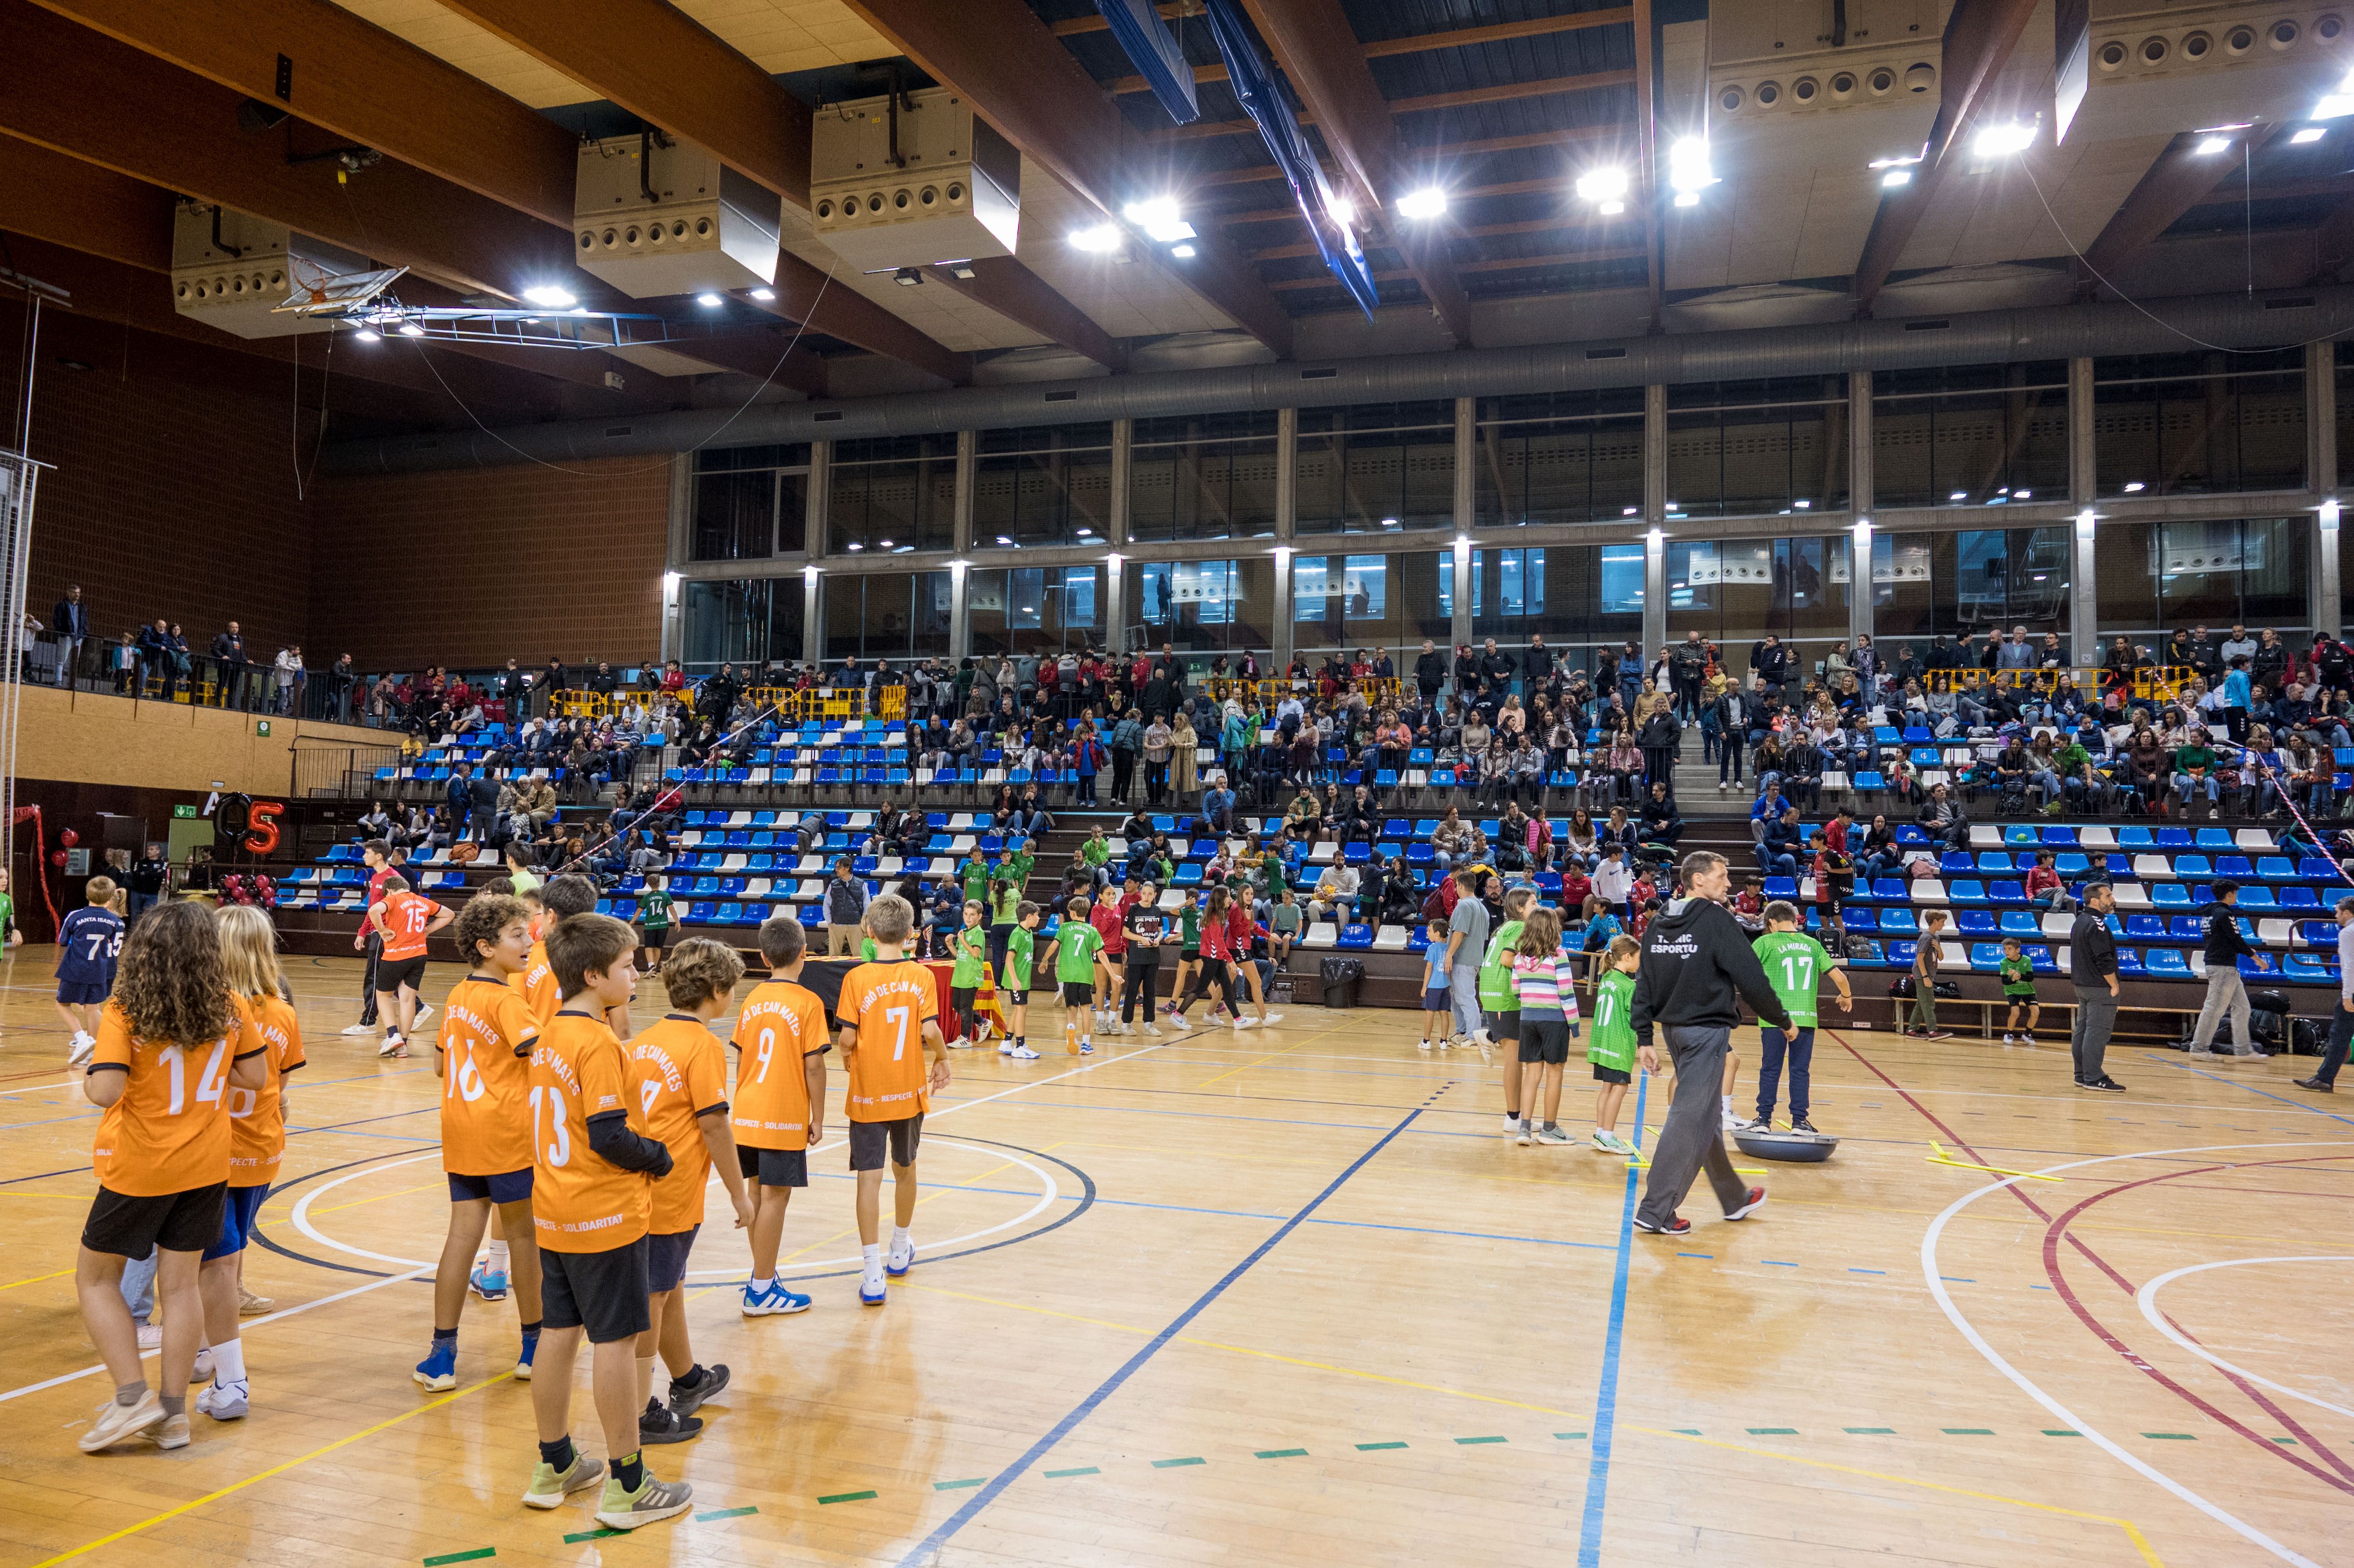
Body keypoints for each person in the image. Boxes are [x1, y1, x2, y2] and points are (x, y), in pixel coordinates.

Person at [521, 911, 695, 1531]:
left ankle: (555, 1464)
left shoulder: (547, 1036)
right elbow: (607, 1135)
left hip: (555, 1212)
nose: (637, 973)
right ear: (593, 975)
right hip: (604, 1215)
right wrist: (660, 1155)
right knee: (616, 1344)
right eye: (627, 966)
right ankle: (628, 1484)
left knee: (558, 1335)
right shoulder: (596, 1042)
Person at [624, 938, 756, 1445]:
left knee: (667, 1284)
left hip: (641, 1182)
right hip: (672, 1188)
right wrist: (739, 1194)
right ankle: (639, 1410)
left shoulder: (645, 1039)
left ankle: (686, 1379)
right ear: (718, 992)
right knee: (654, 1296)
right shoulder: (702, 1045)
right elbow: (715, 1126)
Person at [413, 893, 545, 1395]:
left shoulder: (459, 995)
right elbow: (543, 1057)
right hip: (506, 1133)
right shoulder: (508, 1000)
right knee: (524, 1239)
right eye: (518, 935)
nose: (530, 940)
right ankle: (533, 1346)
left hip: (462, 1129)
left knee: (461, 1239)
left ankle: (441, 1356)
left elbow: (442, 1065)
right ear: (487, 947)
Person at [1629, 851, 1789, 1237]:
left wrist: (1645, 1035)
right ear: (1698, 880)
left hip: (1674, 1032)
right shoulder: (1716, 919)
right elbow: (1751, 977)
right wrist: (1783, 1020)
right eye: (1722, 875)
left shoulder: (1660, 921)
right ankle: (1656, 1211)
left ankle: (1734, 1198)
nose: (1729, 883)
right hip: (1705, 1034)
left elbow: (1646, 981)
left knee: (1705, 1116)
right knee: (1688, 1118)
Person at [191, 904, 303, 1423]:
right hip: (261, 1148)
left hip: (209, 1150)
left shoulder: (202, 1008)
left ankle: (214, 1360)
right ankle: (210, 1350)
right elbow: (283, 1087)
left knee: (207, 1260)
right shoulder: (282, 1013)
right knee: (227, 1255)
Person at [833, 894, 952, 1306]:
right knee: (906, 1168)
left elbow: (846, 1037)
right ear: (910, 934)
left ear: (868, 932)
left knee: (870, 1178)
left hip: (868, 1091)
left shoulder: (857, 978)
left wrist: (848, 1056)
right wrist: (943, 1059)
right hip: (907, 1090)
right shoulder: (921, 977)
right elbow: (933, 1032)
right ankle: (899, 1247)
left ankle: (871, 1271)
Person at [727, 916, 829, 1317]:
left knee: (756, 1193)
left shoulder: (753, 999)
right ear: (804, 953)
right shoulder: (808, 1003)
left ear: (765, 957)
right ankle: (763, 1287)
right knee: (776, 1196)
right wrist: (818, 1117)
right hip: (782, 1112)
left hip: (748, 1108)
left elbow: (741, 1058)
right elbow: (815, 1067)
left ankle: (761, 1275)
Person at [1747, 901, 1849, 1132]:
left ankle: (1763, 1120)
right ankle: (1800, 1122)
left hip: (1775, 1017)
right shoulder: (1813, 944)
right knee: (1800, 1071)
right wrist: (1847, 996)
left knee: (1770, 1069)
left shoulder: (1764, 943)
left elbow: (1746, 974)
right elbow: (1840, 978)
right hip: (1806, 1018)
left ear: (1771, 922)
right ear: (1794, 921)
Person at [1507, 906, 1581, 1147]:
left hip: (1527, 1019)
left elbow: (1516, 990)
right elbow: (1566, 993)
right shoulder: (1558, 955)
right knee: (1555, 1073)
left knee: (1532, 1075)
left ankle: (1525, 1128)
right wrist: (1574, 1023)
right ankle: (1549, 1128)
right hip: (1554, 1021)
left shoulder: (1519, 958)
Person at [364, 874, 451, 1059]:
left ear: (389, 890)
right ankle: (402, 1045)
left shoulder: (393, 899)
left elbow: (374, 910)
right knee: (407, 999)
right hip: (419, 954)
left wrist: (382, 930)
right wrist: (428, 930)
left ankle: (392, 1035)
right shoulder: (422, 901)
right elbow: (449, 914)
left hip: (397, 955)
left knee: (383, 995)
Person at [2187, 879, 2261, 1059]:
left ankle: (2243, 1051)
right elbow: (2235, 939)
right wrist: (2254, 957)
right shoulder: (2225, 914)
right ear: (2229, 894)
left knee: (2242, 1008)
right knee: (2214, 1009)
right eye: (2235, 893)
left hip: (2223, 967)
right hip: (2223, 968)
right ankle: (2199, 1049)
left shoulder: (2209, 914)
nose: (2236, 897)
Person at [56, 875, 125, 1067]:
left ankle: (82, 1039)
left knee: (62, 1004)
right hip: (101, 969)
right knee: (92, 1007)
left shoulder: (76, 916)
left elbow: (62, 941)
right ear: (111, 898)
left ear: (87, 894)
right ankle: (95, 1048)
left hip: (75, 968)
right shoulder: (116, 921)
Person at [1586, 934, 1644, 1155]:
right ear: (1627, 957)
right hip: (1618, 1043)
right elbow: (1637, 1015)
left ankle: (1601, 1132)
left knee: (1607, 1087)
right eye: (1639, 957)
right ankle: (1608, 1136)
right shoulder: (1628, 985)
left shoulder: (1608, 977)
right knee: (1620, 1087)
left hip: (1601, 1041)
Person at [2293, 895, 2354, 1093]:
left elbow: (2349, 966)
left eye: (2338, 912)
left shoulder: (2348, 933)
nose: (2336, 916)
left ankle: (2325, 1079)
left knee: (2339, 1036)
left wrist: (2347, 995)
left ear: (2347, 913)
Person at [2068, 883, 2125, 1092]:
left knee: (2083, 1030)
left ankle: (2081, 1075)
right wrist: (2114, 985)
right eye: (2108, 896)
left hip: (2082, 985)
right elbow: (2103, 958)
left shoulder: (2080, 921)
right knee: (2097, 1032)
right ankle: (2094, 1077)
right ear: (2095, 900)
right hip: (2099, 987)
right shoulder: (2097, 924)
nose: (2112, 899)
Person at [1476, 886, 1535, 1075]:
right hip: (1504, 994)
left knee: (1515, 1053)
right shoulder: (1520, 926)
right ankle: (1514, 1107)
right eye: (1533, 903)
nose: (1538, 907)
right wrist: (1535, 966)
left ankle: (1490, 1035)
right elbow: (1506, 959)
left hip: (1491, 991)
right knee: (1514, 1059)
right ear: (1520, 908)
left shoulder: (1505, 927)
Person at [1441, 869, 1488, 1050]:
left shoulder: (1464, 906)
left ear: (1460, 885)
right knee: (1458, 997)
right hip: (1475, 958)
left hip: (1463, 959)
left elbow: (1459, 933)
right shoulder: (1481, 907)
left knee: (1466, 998)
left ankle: (1473, 1035)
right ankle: (1462, 1031)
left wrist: (1449, 955)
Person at [998, 901, 1042, 1061]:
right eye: (1037, 915)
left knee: (1019, 1010)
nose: (1039, 918)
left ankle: (1007, 1041)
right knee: (1021, 1009)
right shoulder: (1017, 935)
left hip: (1023, 979)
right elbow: (1009, 959)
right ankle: (1020, 1046)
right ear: (1029, 917)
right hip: (1016, 980)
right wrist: (1014, 979)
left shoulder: (1028, 932)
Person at [1118, 894, 1166, 1038]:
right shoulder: (1134, 910)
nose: (1146, 896)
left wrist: (1158, 939)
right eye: (1144, 893)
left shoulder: (1157, 910)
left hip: (1152, 957)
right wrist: (1141, 939)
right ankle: (1126, 1024)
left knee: (1150, 991)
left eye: (1150, 894)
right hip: (1136, 958)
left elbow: (1161, 931)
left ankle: (1149, 1024)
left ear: (1154, 895)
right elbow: (1125, 932)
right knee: (1132, 990)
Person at [948, 901, 989, 1047]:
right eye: (966, 914)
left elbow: (975, 953)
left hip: (971, 974)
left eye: (972, 915)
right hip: (960, 974)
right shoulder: (964, 932)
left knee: (965, 1007)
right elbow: (960, 955)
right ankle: (982, 1022)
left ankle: (966, 1038)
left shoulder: (978, 932)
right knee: (957, 1005)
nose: (968, 917)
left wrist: (963, 940)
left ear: (979, 917)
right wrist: (950, 945)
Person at [1906, 909, 1951, 1040]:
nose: (1943, 925)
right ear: (1935, 922)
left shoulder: (1936, 938)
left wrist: (1939, 948)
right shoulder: (1926, 938)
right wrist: (1925, 977)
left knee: (1922, 1003)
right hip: (1922, 975)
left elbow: (1941, 958)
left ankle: (1911, 1029)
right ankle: (1932, 1031)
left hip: (1929, 974)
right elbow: (1919, 959)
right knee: (1929, 1002)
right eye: (1942, 922)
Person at [824, 858, 868, 958]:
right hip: (836, 924)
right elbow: (827, 904)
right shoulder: (833, 884)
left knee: (859, 956)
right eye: (836, 868)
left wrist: (862, 922)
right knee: (834, 956)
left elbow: (867, 904)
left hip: (856, 925)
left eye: (839, 867)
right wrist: (830, 922)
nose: (836, 870)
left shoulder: (861, 883)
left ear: (847, 868)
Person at [1998, 937, 2039, 1045]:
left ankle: (2027, 1034)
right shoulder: (2004, 963)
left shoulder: (2027, 960)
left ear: (2018, 950)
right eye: (2005, 949)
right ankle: (2009, 1034)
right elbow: (2005, 981)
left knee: (2036, 1012)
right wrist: (2012, 979)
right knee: (2015, 1013)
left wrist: (2018, 976)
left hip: (2027, 990)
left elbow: (2030, 978)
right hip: (2012, 991)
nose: (2006, 952)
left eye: (2009, 949)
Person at [1419, 917, 1451, 1051]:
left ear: (1437, 933)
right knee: (1444, 1013)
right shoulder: (1449, 948)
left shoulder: (1432, 948)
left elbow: (1429, 968)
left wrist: (1424, 986)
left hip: (1433, 986)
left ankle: (1426, 1041)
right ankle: (1443, 1041)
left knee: (1430, 1013)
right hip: (1445, 985)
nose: (1427, 933)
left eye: (1429, 931)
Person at [635, 874, 673, 974]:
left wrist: (632, 921)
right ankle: (654, 969)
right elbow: (672, 909)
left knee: (648, 947)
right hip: (663, 925)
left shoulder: (647, 897)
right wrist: (677, 921)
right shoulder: (666, 896)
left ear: (648, 884)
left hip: (650, 925)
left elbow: (639, 911)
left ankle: (651, 965)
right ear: (659, 884)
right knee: (658, 947)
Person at [126, 845, 169, 925]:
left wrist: (146, 873)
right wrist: (153, 874)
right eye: (148, 849)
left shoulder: (163, 863)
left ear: (158, 851)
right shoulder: (141, 862)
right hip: (137, 892)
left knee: (148, 916)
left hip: (152, 894)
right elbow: (136, 874)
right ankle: (132, 935)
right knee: (135, 915)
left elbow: (160, 875)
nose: (149, 851)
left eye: (152, 849)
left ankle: (145, 936)